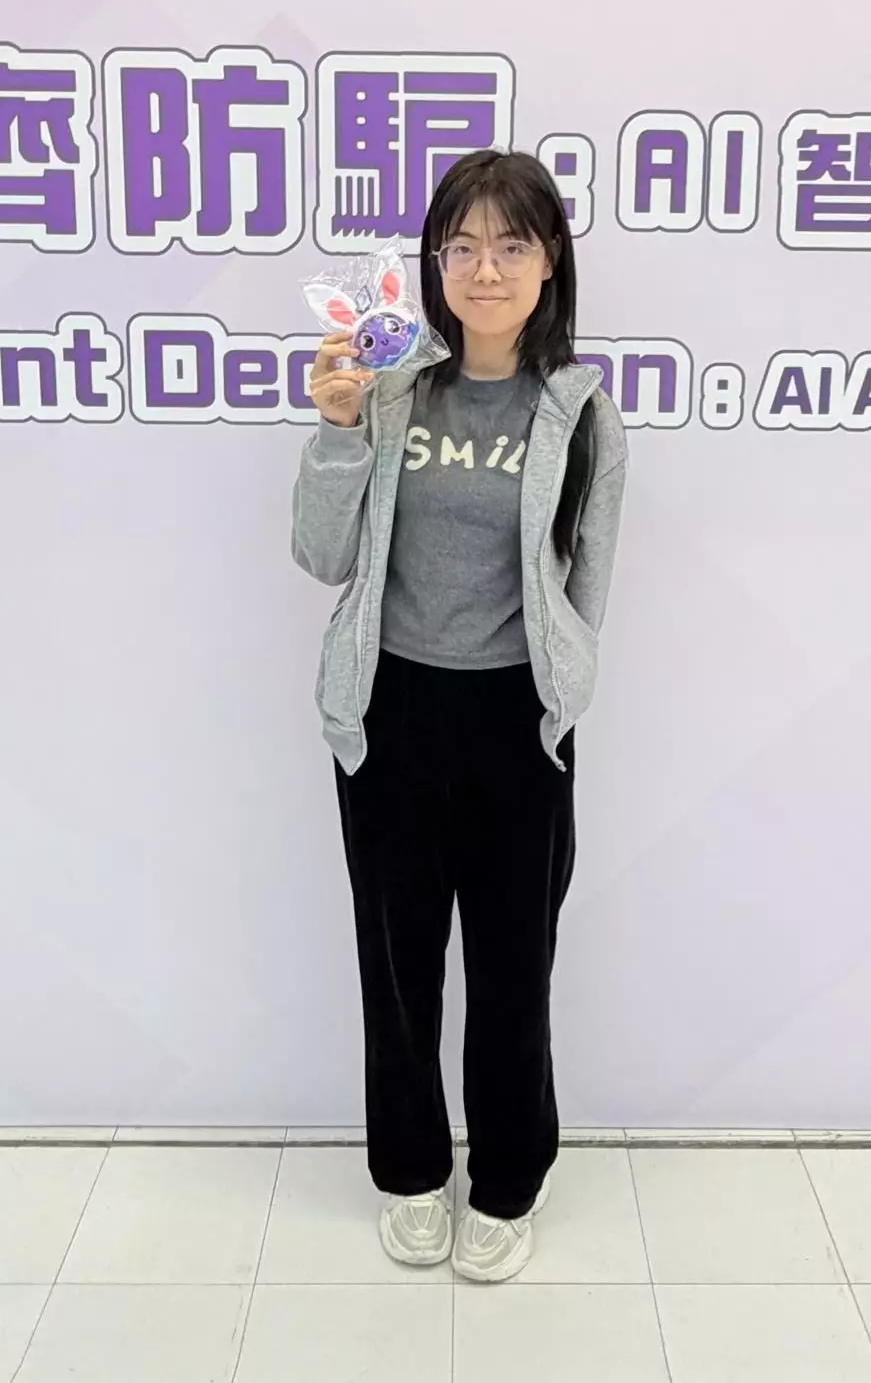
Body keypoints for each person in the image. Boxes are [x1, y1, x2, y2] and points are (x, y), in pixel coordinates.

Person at [291, 149, 627, 1283]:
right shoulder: (388, 390)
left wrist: (558, 701)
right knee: (398, 966)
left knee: (512, 965)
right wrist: (337, 429)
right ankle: (409, 1170)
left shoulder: (581, 415)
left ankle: (509, 1177)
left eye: (511, 244)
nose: (486, 268)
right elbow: (321, 555)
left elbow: (586, 585)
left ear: (549, 262)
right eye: (464, 245)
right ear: (434, 264)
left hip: (515, 722)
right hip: (389, 710)